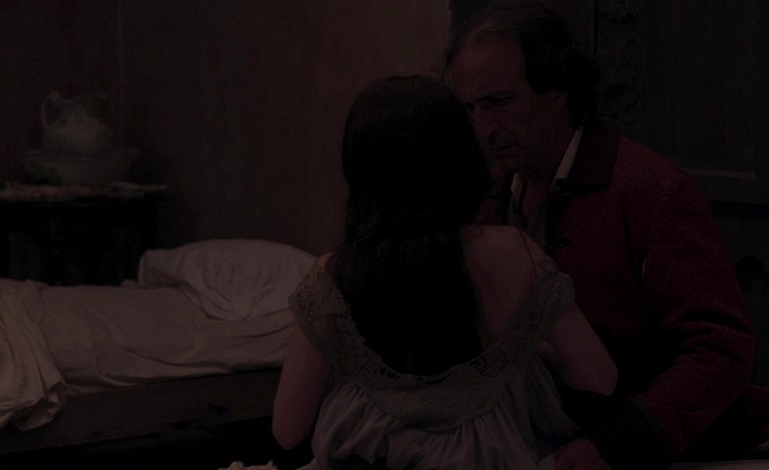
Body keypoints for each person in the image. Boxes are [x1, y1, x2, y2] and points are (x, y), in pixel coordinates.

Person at [444, 1, 769, 468]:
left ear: (559, 91)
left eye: (499, 101)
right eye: (469, 108)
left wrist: (617, 441)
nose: (483, 128)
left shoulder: (650, 191)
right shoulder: (490, 199)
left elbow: (719, 350)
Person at [272, 75, 617, 469]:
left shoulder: (336, 272)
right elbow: (600, 378)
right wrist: (522, 346)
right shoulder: (512, 251)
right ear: (460, 156)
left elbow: (288, 429)